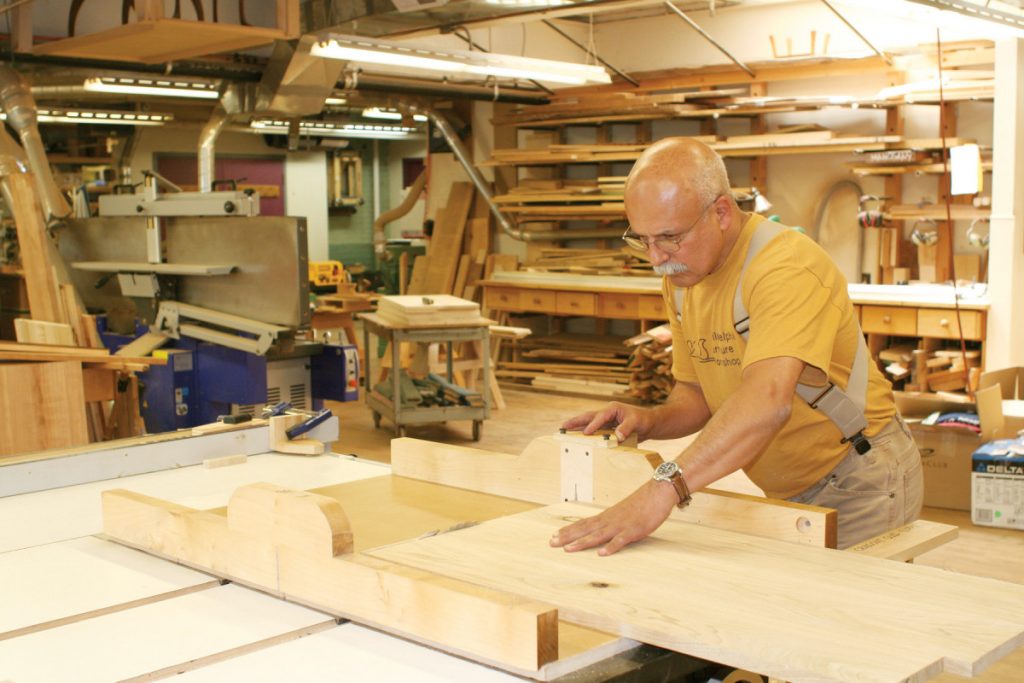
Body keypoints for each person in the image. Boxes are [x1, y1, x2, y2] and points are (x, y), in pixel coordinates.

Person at [550, 137, 922, 554]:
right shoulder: (683, 280)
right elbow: (698, 396)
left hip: (857, 478)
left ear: (722, 212)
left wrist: (660, 490)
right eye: (643, 240)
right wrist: (648, 421)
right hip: (787, 485)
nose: (657, 258)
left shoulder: (783, 268)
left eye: (670, 237)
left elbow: (767, 402)